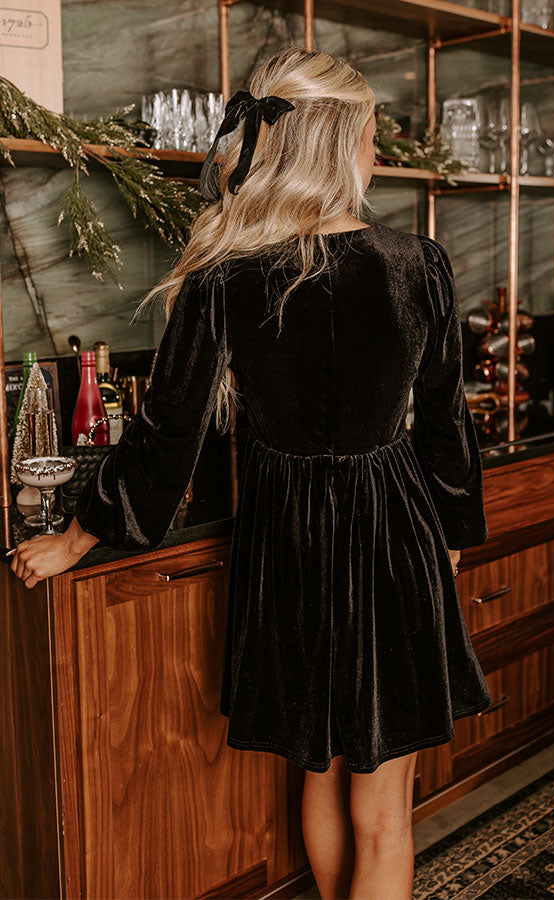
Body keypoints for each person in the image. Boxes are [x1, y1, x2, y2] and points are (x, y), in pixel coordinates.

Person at [10, 45, 491, 900]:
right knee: (384, 811)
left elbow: (168, 431)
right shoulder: (417, 264)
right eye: (372, 136)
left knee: (318, 771)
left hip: (287, 546)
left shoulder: (223, 274)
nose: (378, 153)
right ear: (341, 145)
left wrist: (77, 538)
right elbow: (447, 427)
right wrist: (451, 537)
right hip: (393, 539)